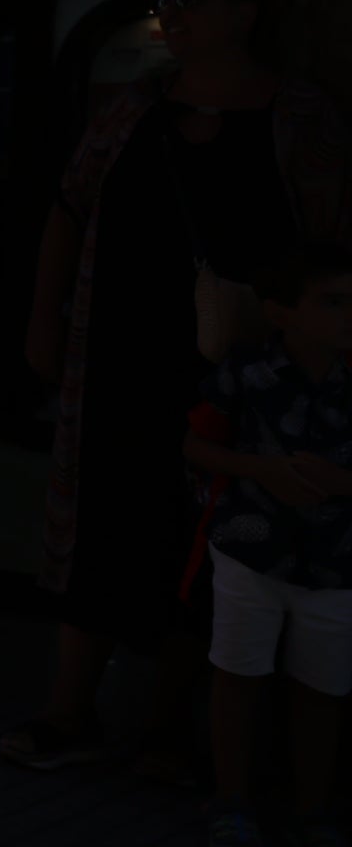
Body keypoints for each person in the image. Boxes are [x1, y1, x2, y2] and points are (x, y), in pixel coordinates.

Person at [5, 0, 349, 776]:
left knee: (205, 536)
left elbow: (332, 244)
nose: (173, 12)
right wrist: (42, 320)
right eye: (167, 0)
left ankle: (170, 723)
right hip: (118, 354)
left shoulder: (300, 118)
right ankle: (70, 707)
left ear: (246, 13)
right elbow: (68, 207)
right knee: (102, 522)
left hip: (239, 370)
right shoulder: (134, 110)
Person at [185, 243, 352, 847]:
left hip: (337, 564)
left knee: (323, 690)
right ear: (280, 312)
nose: (347, 315)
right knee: (237, 676)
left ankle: (313, 811)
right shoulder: (246, 370)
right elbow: (196, 444)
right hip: (249, 548)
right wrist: (261, 470)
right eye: (332, 302)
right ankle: (231, 801)